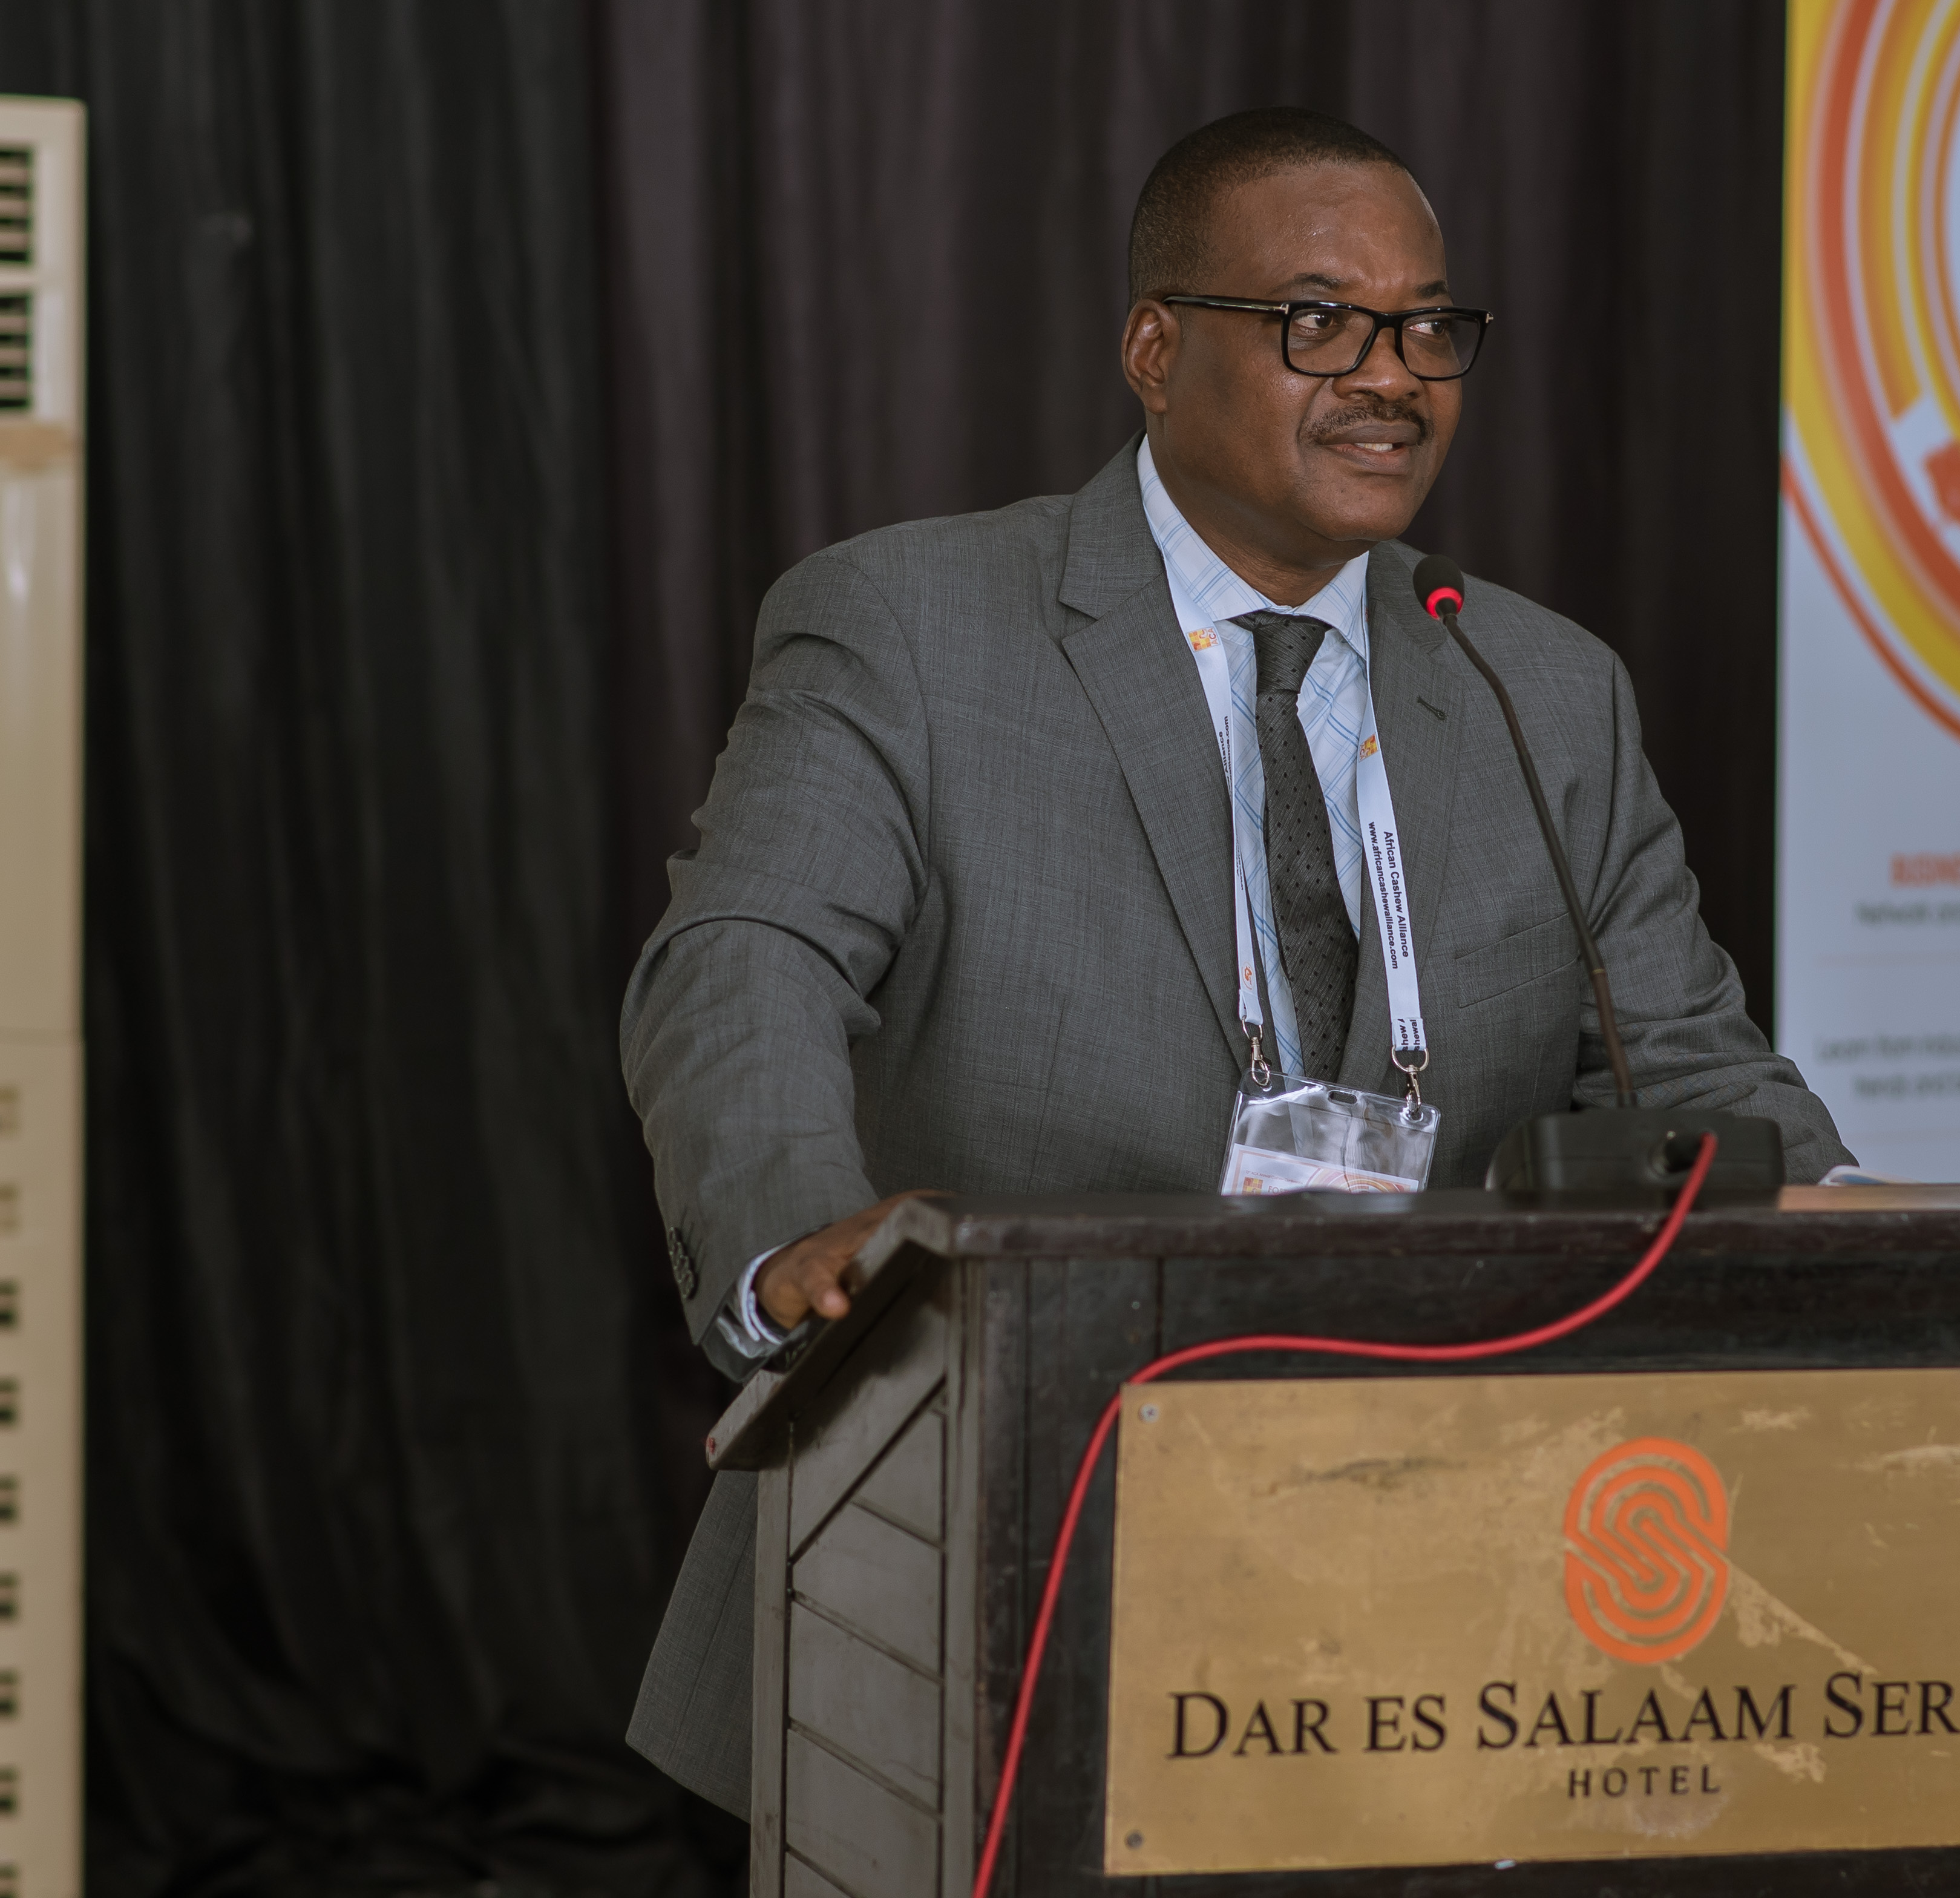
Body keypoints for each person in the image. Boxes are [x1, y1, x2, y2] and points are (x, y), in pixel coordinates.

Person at [618, 105, 1850, 1816]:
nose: (1390, 377)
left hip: (1440, 1588)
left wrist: (1873, 1235)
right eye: (1318, 321)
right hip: (995, 1539)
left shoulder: (1541, 687)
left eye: (1428, 327)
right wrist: (793, 1248)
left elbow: (1689, 1064)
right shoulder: (910, 627)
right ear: (1153, 349)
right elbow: (742, 960)